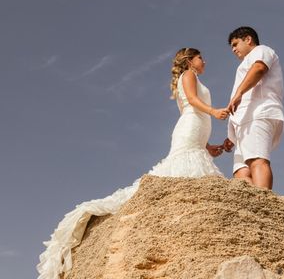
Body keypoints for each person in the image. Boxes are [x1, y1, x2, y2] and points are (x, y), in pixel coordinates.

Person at [37, 48, 229, 279]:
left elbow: (192, 107)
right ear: (189, 61)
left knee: (191, 163)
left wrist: (209, 147)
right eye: (200, 57)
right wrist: (214, 111)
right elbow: (192, 101)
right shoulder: (189, 75)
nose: (204, 61)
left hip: (197, 129)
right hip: (191, 126)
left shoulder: (192, 77)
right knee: (182, 167)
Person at [226, 27, 284, 189]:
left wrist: (238, 92)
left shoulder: (261, 50)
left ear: (248, 39)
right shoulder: (247, 61)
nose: (233, 49)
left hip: (259, 113)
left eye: (235, 44)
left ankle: (264, 204)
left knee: (258, 160)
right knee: (241, 172)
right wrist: (232, 136)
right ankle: (254, 205)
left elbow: (259, 68)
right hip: (244, 122)